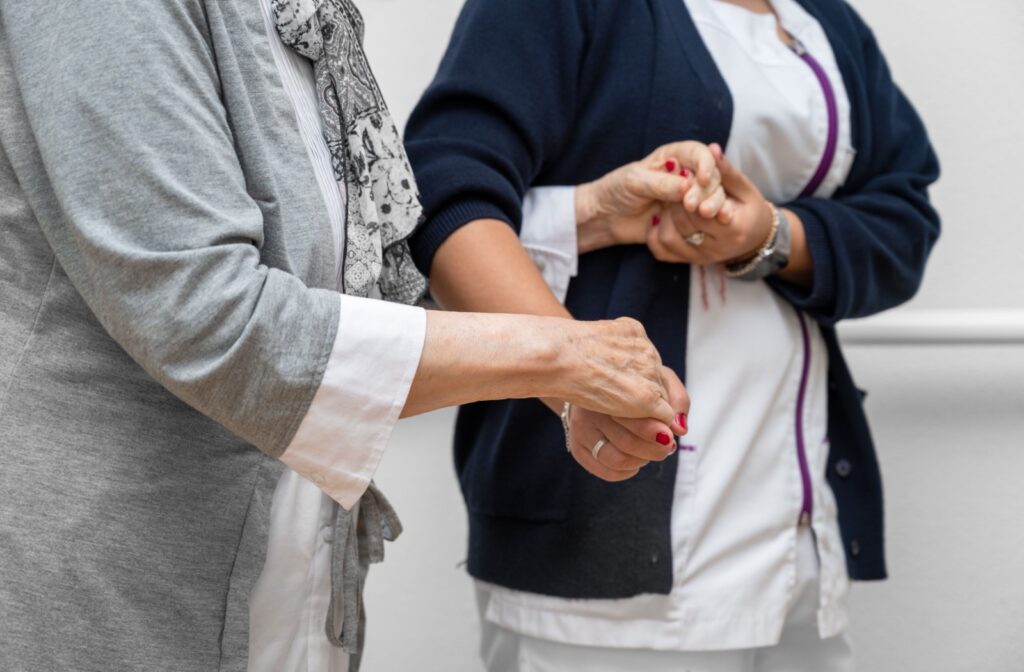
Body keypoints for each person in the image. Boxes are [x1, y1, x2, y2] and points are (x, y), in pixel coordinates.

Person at [0, 2, 694, 671]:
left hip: (283, 582)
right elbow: (207, 317)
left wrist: (585, 217)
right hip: (104, 595)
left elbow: (356, 286)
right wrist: (559, 355)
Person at [405, 0, 941, 669]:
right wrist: (582, 376)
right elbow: (438, 200)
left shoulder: (826, 22)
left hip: (799, 548)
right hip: (607, 563)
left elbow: (904, 220)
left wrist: (768, 236)